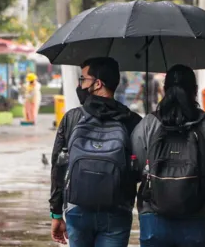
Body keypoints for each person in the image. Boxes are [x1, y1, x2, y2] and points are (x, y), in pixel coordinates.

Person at [131, 64, 205, 247]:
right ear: (195, 91)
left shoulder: (148, 125)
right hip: (201, 221)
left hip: (154, 222)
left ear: (165, 90)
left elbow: (135, 170)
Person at [49, 57, 142, 247]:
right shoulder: (131, 120)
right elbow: (140, 168)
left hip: (77, 208)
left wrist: (56, 213)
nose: (79, 84)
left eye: (83, 79)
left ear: (98, 84)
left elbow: (58, 165)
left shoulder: (73, 118)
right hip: (118, 209)